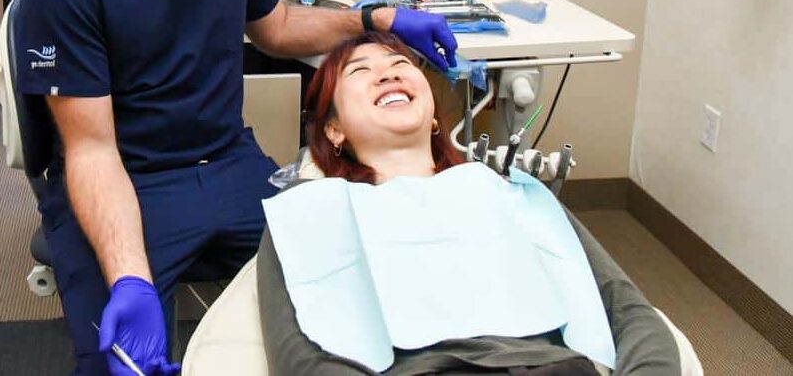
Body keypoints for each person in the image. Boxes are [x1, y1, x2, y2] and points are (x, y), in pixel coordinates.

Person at [14, 0, 459, 376]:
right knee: (124, 362)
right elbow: (90, 149)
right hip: (127, 178)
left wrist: (374, 19)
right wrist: (131, 281)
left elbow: (276, 26)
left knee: (352, 304)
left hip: (228, 163)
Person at [256, 31, 682, 375]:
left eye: (400, 64)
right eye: (360, 70)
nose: (387, 75)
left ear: (434, 114)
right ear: (334, 129)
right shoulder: (311, 210)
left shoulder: (511, 191)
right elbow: (300, 357)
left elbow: (628, 310)